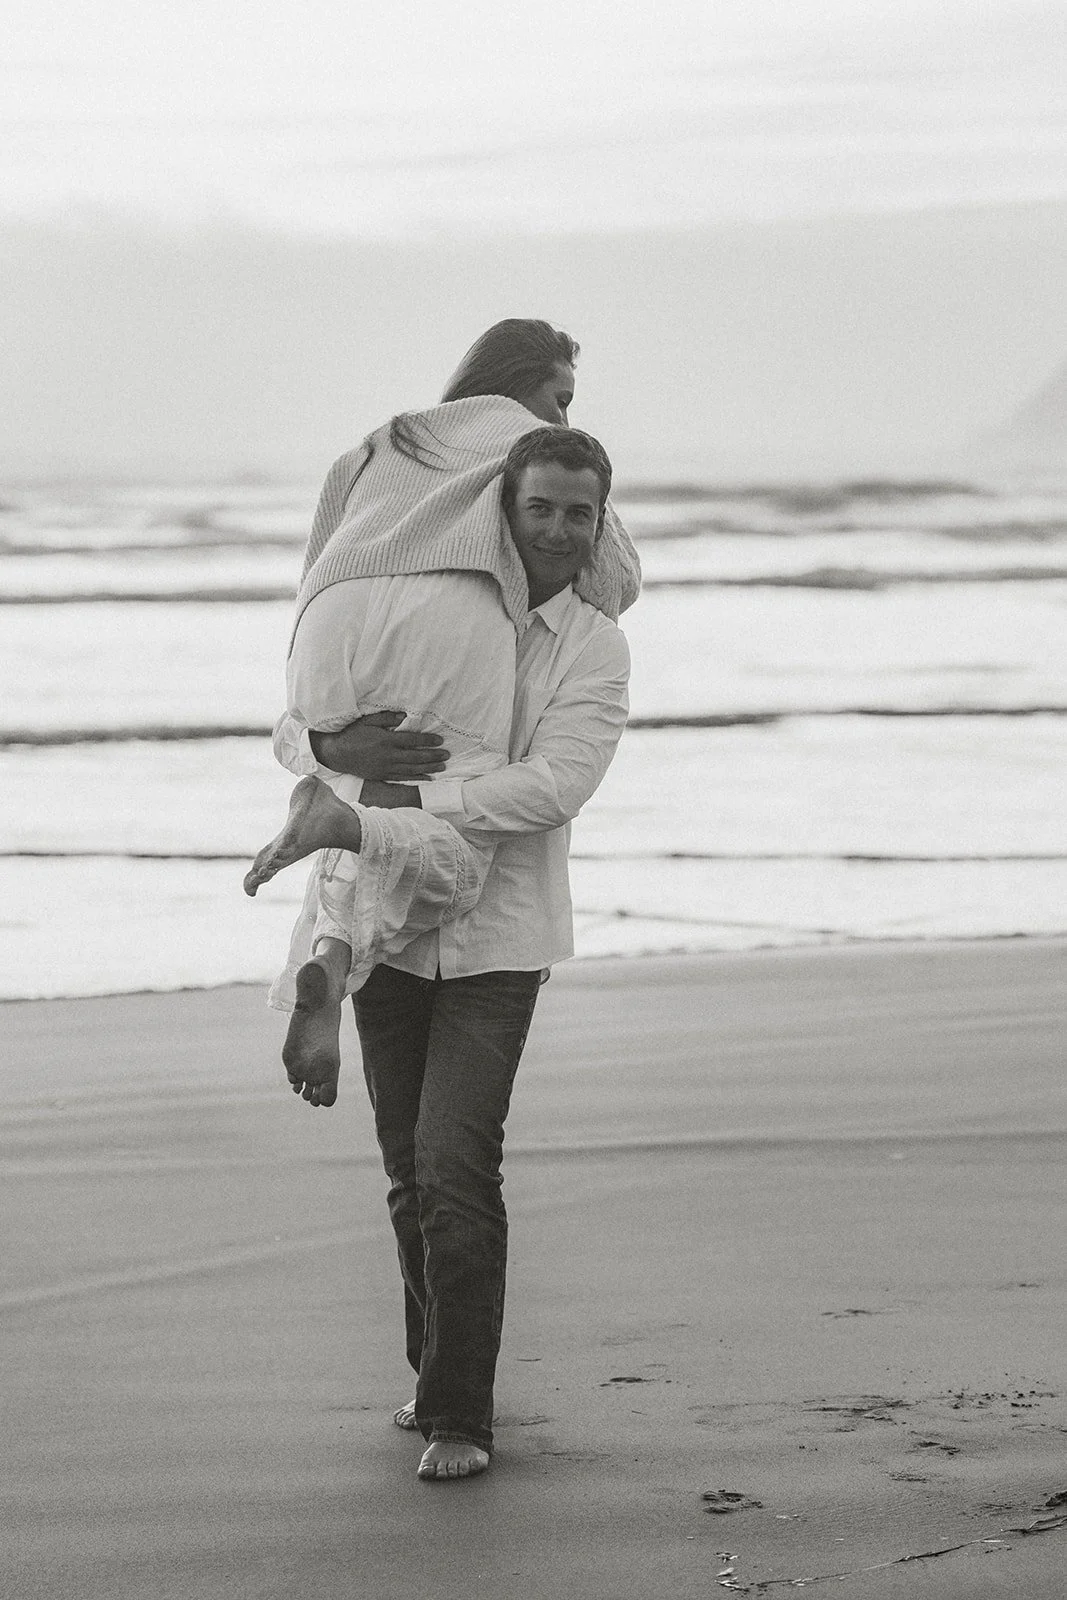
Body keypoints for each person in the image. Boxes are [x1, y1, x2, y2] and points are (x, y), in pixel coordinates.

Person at [254, 422, 633, 1481]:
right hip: (393, 931)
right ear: (498, 514)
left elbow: (551, 786)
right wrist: (332, 750)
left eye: (577, 513)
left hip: (498, 943)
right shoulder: (421, 610)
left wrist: (405, 796)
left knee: (454, 1164)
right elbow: (295, 721)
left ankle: (461, 1412)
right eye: (538, 508)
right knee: (404, 1169)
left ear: (598, 523)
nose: (557, 530)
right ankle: (431, 1371)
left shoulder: (589, 643)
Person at [245, 323, 639, 1112]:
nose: (560, 416)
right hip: (487, 916)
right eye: (559, 397)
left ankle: (329, 951)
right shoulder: (527, 447)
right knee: (445, 855)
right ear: (525, 386)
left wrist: (323, 733)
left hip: (335, 612)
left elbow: (317, 565)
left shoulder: (381, 447)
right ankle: (343, 888)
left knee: (350, 797)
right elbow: (619, 575)